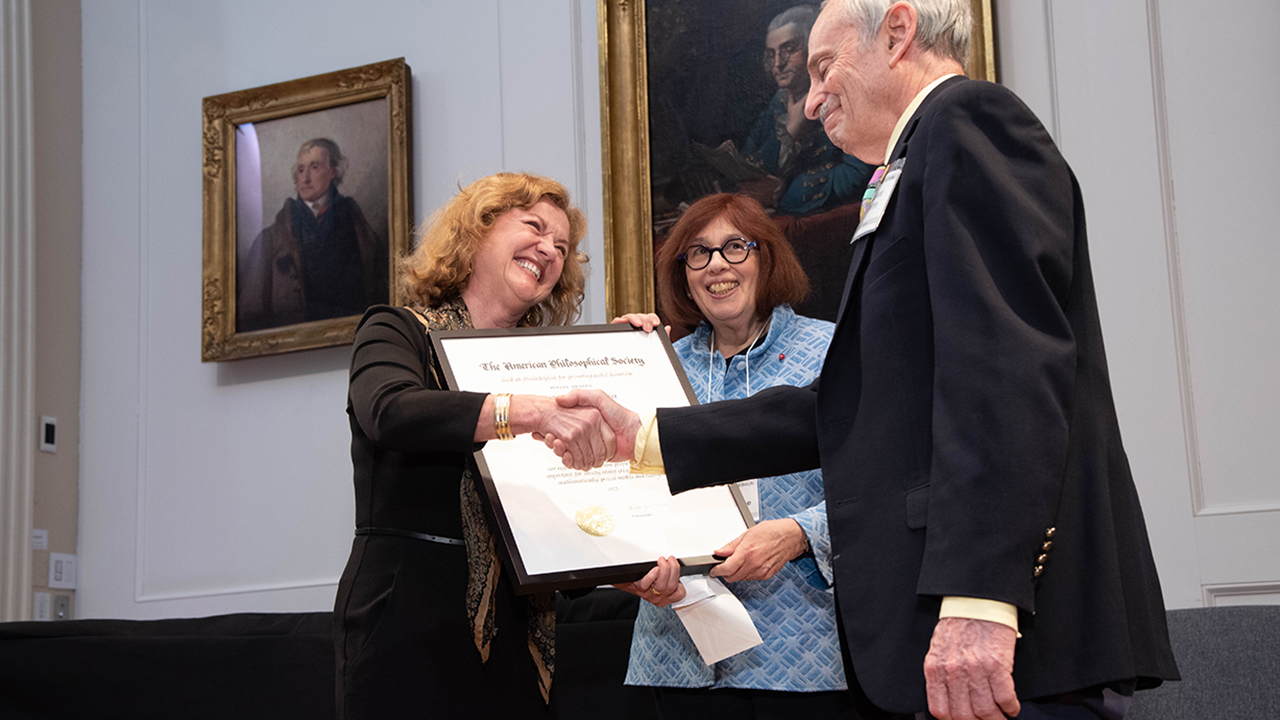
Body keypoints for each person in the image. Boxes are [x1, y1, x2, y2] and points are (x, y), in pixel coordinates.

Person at [556, 1, 1181, 718]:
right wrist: (644, 437)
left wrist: (981, 598)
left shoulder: (967, 122)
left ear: (898, 31)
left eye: (824, 67)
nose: (812, 97)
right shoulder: (912, 166)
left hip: (999, 630)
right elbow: (851, 406)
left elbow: (1005, 376)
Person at [332, 172, 649, 719]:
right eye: (533, 227)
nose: (549, 249)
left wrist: (628, 361)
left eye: (562, 246)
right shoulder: (397, 330)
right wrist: (529, 411)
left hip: (517, 632)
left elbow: (561, 511)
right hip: (406, 619)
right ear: (475, 231)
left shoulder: (549, 370)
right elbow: (392, 412)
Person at [614, 194, 851, 719]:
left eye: (735, 247)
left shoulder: (835, 352)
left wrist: (799, 534)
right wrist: (611, 357)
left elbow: (878, 483)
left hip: (801, 654)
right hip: (675, 655)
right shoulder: (654, 364)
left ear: (767, 258)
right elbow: (613, 487)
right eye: (697, 253)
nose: (716, 264)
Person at [237, 138, 388, 331]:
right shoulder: (270, 240)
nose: (305, 178)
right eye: (301, 170)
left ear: (333, 172)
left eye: (315, 167)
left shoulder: (360, 231)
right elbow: (251, 314)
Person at [738, 5, 872, 216]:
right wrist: (789, 132)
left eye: (789, 49)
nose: (778, 63)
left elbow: (857, 173)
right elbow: (748, 158)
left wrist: (786, 192)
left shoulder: (841, 93)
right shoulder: (778, 101)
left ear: (812, 49)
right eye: (772, 54)